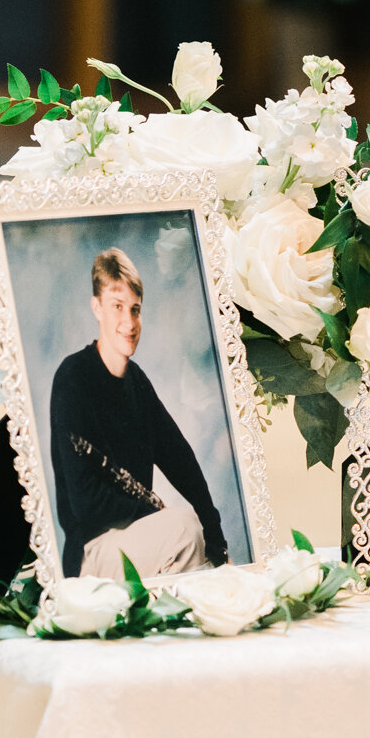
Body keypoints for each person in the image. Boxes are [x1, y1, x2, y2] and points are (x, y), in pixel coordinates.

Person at [47, 247, 230, 579]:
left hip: (137, 538)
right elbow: (85, 503)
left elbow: (181, 460)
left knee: (200, 542)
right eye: (117, 306)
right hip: (92, 551)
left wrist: (215, 533)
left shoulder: (137, 382)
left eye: (135, 309)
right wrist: (150, 510)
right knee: (183, 530)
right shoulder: (72, 377)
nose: (129, 323)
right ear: (97, 307)